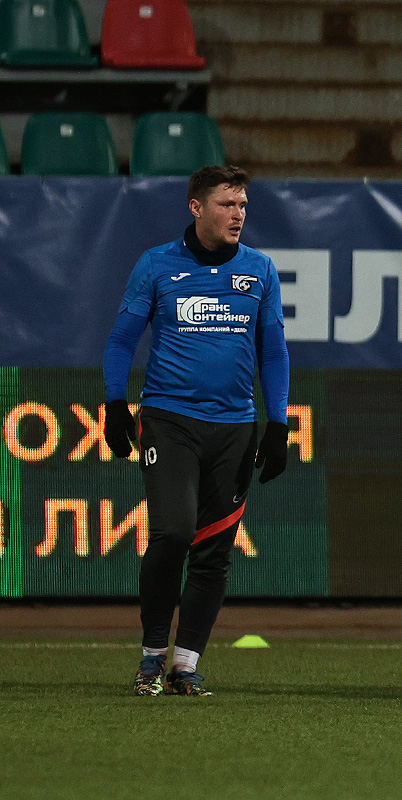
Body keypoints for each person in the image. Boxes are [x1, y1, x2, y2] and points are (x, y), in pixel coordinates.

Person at [103, 165, 290, 697]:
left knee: (214, 551)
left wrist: (278, 423)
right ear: (196, 207)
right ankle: (151, 657)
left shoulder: (260, 269)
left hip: (235, 428)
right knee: (174, 533)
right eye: (227, 204)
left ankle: (185, 666)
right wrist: (115, 405)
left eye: (243, 206)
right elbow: (122, 340)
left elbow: (273, 352)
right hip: (169, 421)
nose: (238, 215)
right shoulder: (156, 264)